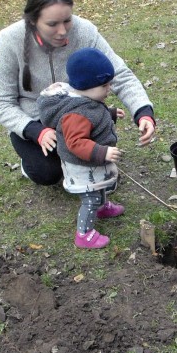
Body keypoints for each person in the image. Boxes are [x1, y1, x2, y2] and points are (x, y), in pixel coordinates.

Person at [0, 0, 155, 188]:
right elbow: (1, 102)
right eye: (52, 24)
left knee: (88, 155)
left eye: (67, 21)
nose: (62, 31)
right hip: (33, 120)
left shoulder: (85, 31)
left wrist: (143, 111)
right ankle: (30, 162)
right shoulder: (8, 40)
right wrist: (33, 130)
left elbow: (120, 74)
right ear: (33, 21)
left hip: (78, 114)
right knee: (48, 173)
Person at [37, 48, 124, 249]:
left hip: (93, 166)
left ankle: (102, 207)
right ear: (86, 86)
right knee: (90, 198)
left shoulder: (88, 101)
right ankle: (84, 234)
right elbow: (76, 143)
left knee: (99, 188)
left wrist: (109, 114)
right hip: (83, 168)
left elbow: (94, 117)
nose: (109, 88)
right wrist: (102, 152)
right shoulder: (75, 115)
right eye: (104, 85)